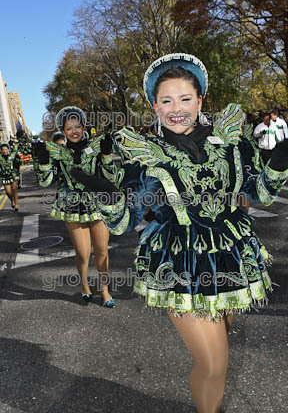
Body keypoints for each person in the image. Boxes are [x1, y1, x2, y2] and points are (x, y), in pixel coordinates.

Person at [71, 54, 288, 413]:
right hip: (180, 265)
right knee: (214, 363)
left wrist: (278, 164)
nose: (177, 109)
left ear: (200, 100)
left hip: (233, 258)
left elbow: (259, 194)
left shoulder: (231, 143)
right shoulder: (145, 157)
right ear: (155, 106)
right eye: (166, 101)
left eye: (185, 99)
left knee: (220, 343)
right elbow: (125, 222)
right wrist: (102, 193)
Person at [34, 106, 115, 307]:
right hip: (72, 206)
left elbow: (110, 176)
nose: (74, 131)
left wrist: (106, 156)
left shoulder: (96, 146)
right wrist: (43, 163)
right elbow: (46, 182)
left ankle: (104, 290)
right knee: (83, 253)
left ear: (83, 126)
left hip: (97, 202)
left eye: (77, 126)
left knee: (102, 250)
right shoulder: (58, 153)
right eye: (69, 128)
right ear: (63, 130)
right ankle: (84, 285)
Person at [0, 142, 20, 211]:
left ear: (8, 150)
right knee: (8, 192)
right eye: (3, 149)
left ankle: (16, 204)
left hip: (13, 174)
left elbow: (15, 151)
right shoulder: (0, 158)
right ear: (1, 150)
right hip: (5, 176)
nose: (4, 151)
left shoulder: (12, 155)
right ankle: (12, 200)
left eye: (6, 149)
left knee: (14, 189)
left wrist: (16, 145)